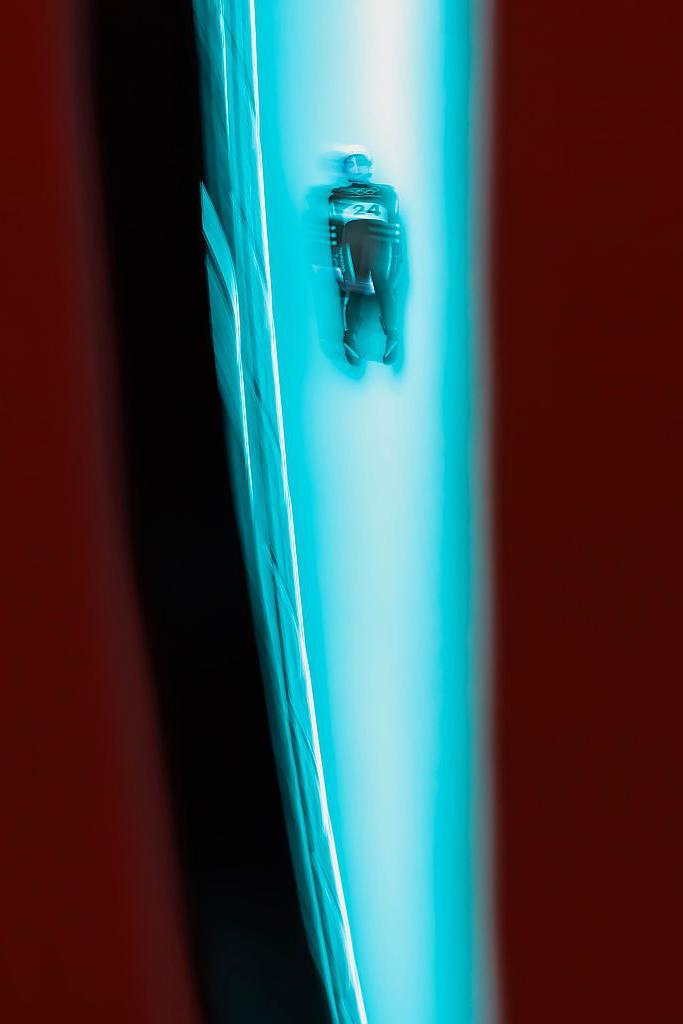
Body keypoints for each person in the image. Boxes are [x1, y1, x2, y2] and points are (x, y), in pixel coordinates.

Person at [329, 150, 402, 365]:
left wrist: (398, 255)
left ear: (369, 167)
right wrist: (336, 259)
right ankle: (351, 335)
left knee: (382, 283)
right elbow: (334, 230)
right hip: (352, 241)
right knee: (355, 285)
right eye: (350, 165)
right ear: (345, 171)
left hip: (380, 241)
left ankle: (392, 334)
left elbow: (395, 224)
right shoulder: (338, 195)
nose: (355, 168)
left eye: (359, 163)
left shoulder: (387, 192)